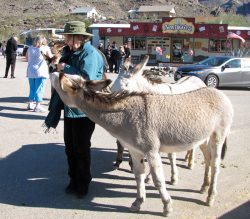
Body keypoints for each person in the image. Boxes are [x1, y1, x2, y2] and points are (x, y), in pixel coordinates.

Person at [56, 21, 104, 198]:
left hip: (85, 110)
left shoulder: (90, 54)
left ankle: (83, 183)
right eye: (67, 38)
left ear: (81, 38)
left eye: (70, 38)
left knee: (81, 148)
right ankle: (73, 180)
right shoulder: (71, 52)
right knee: (69, 147)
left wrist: (65, 68)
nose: (67, 42)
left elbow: (87, 80)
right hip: (71, 108)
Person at [26, 35, 53, 112]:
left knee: (32, 88)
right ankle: (38, 105)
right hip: (41, 72)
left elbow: (27, 58)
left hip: (30, 71)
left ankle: (30, 103)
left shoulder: (30, 48)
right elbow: (51, 58)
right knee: (39, 88)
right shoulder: (45, 48)